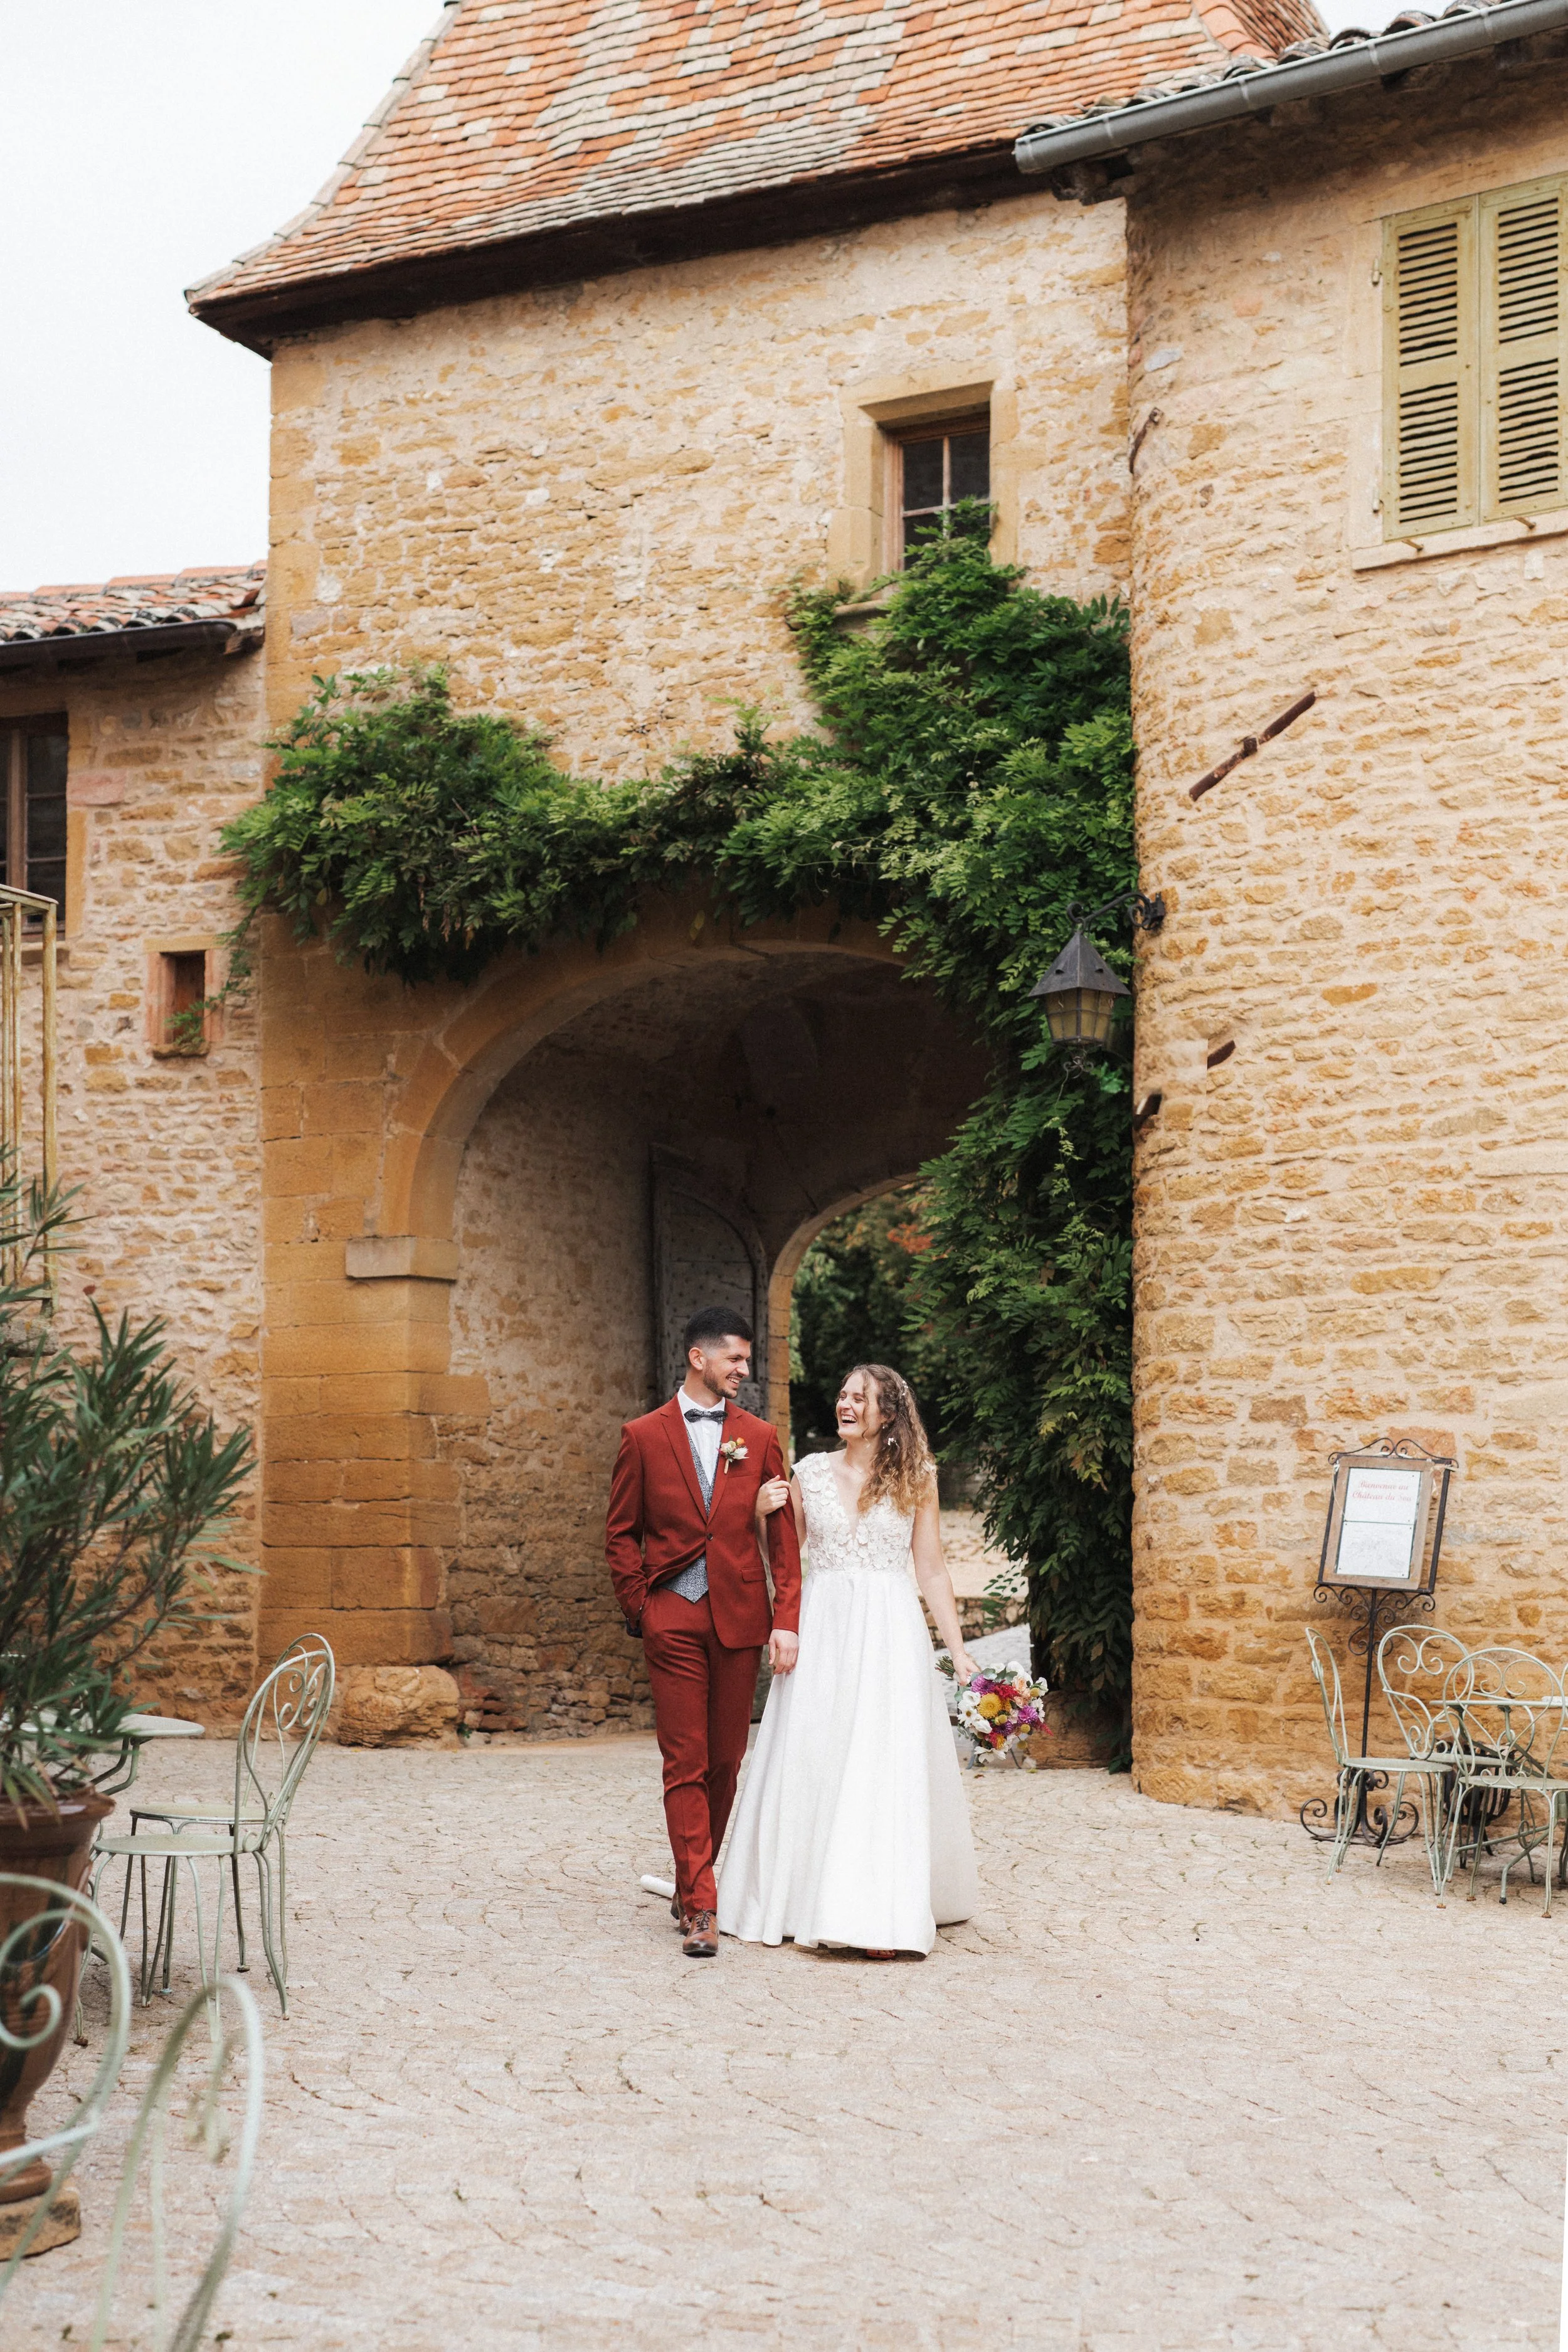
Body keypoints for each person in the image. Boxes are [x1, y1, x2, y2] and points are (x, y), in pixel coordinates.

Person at [718, 1362, 980, 1957]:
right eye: (842, 1395)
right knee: (816, 1752)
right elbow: (786, 1554)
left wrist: (958, 1652)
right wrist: (760, 1515)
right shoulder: (809, 1472)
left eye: (860, 1398)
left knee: (879, 1762)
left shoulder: (917, 1476)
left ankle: (873, 1908)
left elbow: (932, 1568)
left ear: (888, 1413)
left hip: (889, 1630)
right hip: (826, 1625)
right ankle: (799, 1893)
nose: (846, 1404)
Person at [605, 1307, 802, 1959]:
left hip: (740, 1617)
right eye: (735, 1361)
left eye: (746, 1361)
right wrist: (643, 1608)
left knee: (726, 1762)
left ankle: (695, 1876)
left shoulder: (759, 1436)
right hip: (674, 1619)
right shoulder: (641, 1436)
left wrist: (786, 1619)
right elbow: (620, 1533)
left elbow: (783, 1543)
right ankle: (701, 1904)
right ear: (699, 1358)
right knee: (683, 1761)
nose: (745, 1371)